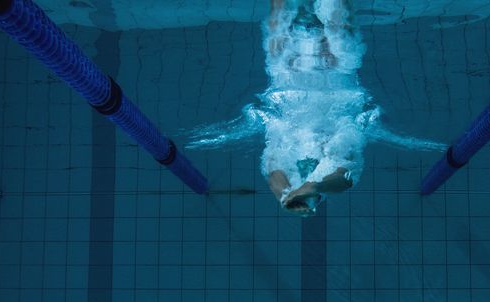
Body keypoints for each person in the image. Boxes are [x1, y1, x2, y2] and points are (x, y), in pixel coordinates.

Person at [186, 0, 446, 216]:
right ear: (319, 197)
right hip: (335, 66)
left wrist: (286, 197)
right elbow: (344, 178)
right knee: (335, 18)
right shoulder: (337, 150)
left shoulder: (285, 145)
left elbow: (273, 173)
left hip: (288, 72)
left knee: (281, 15)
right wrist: (311, 187)